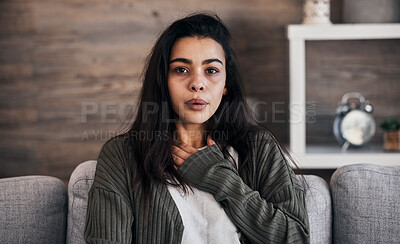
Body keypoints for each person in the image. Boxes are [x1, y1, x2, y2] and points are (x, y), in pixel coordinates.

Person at [84, 12, 310, 244]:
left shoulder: (258, 147)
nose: (197, 84)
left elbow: (296, 238)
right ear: (163, 80)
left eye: (211, 71)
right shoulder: (122, 156)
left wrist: (220, 179)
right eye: (181, 69)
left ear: (226, 85)